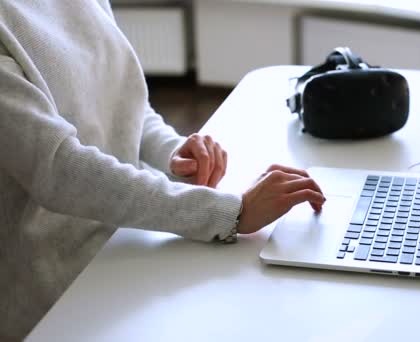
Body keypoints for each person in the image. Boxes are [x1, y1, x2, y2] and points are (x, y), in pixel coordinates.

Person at [0, 1, 325, 340]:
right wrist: (231, 214)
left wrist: (174, 154)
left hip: (128, 239)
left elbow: (128, 107)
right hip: (57, 296)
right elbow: (60, 171)